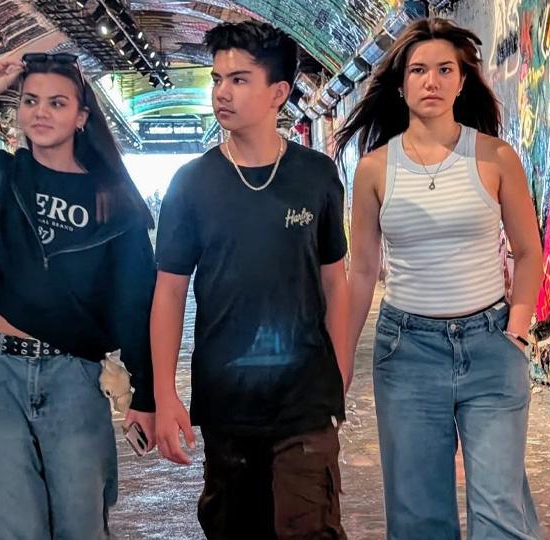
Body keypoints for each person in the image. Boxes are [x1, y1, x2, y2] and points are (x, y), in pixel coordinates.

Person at [0, 52, 156, 539]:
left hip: (75, 378)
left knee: (80, 526)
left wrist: (145, 392)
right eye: (31, 101)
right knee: (6, 527)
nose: (41, 112)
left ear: (81, 117)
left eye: (57, 103)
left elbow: (134, 300)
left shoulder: (114, 202)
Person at [335, 17, 544, 539]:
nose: (431, 81)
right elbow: (362, 270)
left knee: (500, 512)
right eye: (419, 70)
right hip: (406, 354)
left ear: (461, 80)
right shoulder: (375, 169)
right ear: (401, 84)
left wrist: (516, 330)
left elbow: (528, 251)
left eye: (444, 69)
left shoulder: (496, 157)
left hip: (491, 346)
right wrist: (340, 359)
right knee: (419, 518)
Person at [151, 21, 350, 540]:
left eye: (239, 79)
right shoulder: (191, 184)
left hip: (304, 402)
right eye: (216, 79)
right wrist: (165, 393)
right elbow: (169, 293)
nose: (222, 92)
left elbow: (335, 281)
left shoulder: (316, 174)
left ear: (278, 93)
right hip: (225, 405)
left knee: (308, 529)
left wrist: (340, 375)